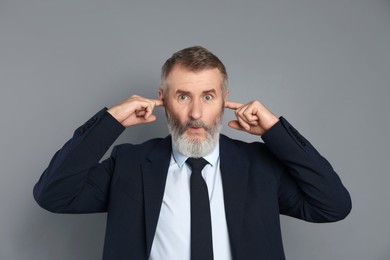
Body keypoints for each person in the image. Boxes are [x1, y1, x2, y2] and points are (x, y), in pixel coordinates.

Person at [33, 46, 351, 260]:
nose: (196, 112)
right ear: (163, 98)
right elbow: (52, 195)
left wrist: (276, 132)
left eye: (208, 96)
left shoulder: (259, 167)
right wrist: (110, 122)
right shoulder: (129, 164)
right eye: (183, 96)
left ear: (225, 98)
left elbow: (333, 206)